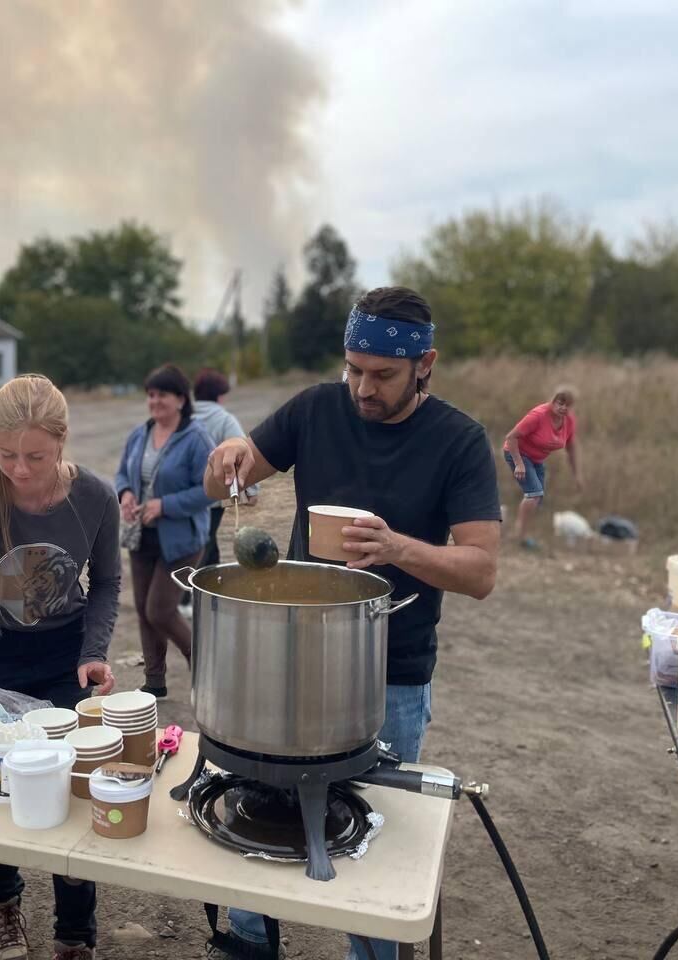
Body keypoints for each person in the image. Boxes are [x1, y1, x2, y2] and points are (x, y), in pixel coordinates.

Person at [203, 287, 501, 960]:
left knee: (372, 852)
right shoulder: (315, 409)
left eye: (383, 375)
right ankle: (250, 943)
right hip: (291, 658)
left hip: (391, 675)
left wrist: (399, 549)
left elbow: (482, 570)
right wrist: (226, 465)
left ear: (425, 365)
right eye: (354, 368)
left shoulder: (458, 440)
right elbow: (221, 478)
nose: (364, 388)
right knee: (260, 808)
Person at [0, 374, 120, 960]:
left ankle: (74, 930)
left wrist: (94, 652)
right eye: (5, 453)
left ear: (62, 444)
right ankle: (3, 910)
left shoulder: (94, 498)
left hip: (67, 659)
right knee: (3, 790)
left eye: (34, 455)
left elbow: (108, 583)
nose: (17, 468)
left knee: (71, 789)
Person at [115, 363, 215, 698]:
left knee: (160, 609)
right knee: (144, 611)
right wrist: (126, 494)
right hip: (142, 536)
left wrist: (165, 505)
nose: (155, 401)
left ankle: (205, 668)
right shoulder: (139, 433)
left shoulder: (196, 439)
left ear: (180, 400)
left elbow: (208, 490)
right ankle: (154, 682)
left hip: (182, 540)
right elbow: (123, 475)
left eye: (162, 395)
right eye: (151, 394)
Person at [176, 369, 260, 614]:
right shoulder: (224, 419)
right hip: (210, 499)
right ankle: (191, 599)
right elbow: (244, 455)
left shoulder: (182, 416)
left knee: (198, 545)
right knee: (205, 544)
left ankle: (200, 595)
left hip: (181, 496)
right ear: (220, 396)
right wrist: (251, 490)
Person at [502, 385, 584, 549]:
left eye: (567, 405)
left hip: (536, 459)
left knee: (537, 498)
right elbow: (511, 437)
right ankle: (520, 537)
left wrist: (577, 475)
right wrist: (519, 464)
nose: (563, 408)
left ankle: (516, 531)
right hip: (517, 453)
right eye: (560, 403)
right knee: (534, 493)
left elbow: (571, 447)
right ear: (553, 401)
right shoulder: (538, 415)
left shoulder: (568, 421)